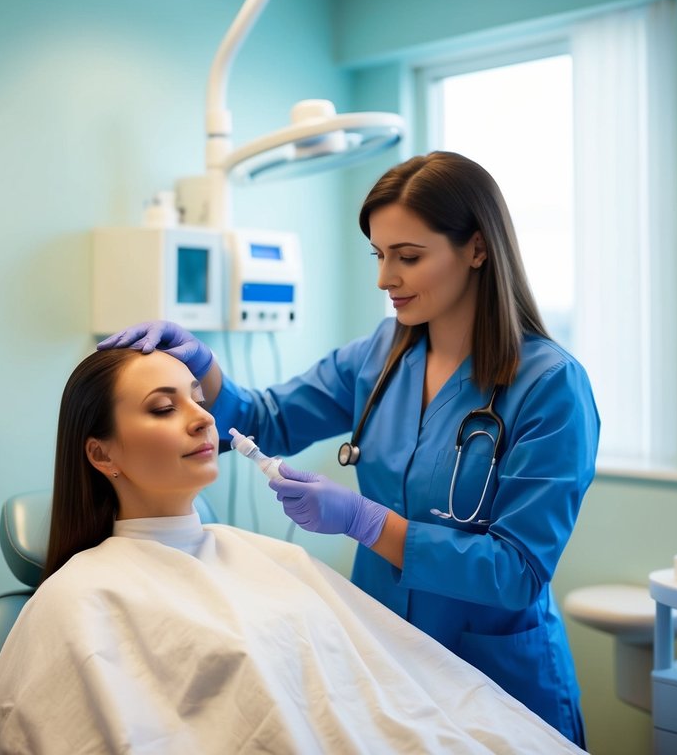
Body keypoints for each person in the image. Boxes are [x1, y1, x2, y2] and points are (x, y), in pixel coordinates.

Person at [98, 151, 600, 746]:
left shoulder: (548, 386)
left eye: (408, 257)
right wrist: (204, 368)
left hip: (495, 668)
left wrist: (364, 520)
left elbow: (517, 572)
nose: (385, 278)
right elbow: (267, 418)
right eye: (380, 255)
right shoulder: (381, 355)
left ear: (477, 249)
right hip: (383, 650)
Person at [0, 347, 585, 754]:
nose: (202, 419)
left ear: (476, 251)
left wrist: (363, 518)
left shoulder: (273, 561)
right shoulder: (81, 600)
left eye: (199, 397)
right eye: (165, 407)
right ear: (102, 455)